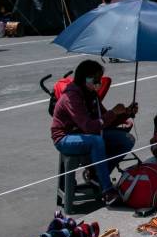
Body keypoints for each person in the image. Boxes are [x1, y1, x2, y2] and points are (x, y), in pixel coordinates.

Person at [51, 59, 138, 205]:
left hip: (86, 134)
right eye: (96, 79)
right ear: (84, 78)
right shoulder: (72, 97)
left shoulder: (91, 94)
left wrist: (126, 113)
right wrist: (112, 112)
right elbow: (90, 127)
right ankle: (107, 190)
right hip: (65, 138)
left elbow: (104, 121)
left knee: (127, 139)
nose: (98, 83)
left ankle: (97, 176)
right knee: (96, 141)